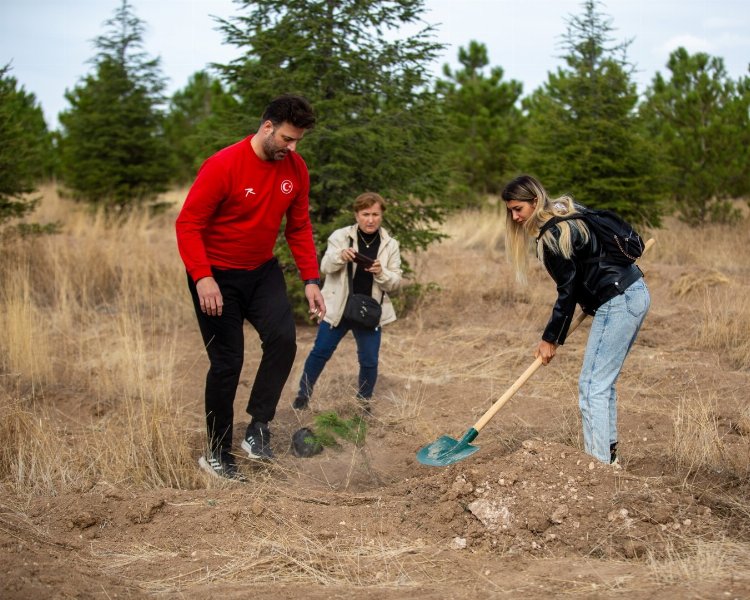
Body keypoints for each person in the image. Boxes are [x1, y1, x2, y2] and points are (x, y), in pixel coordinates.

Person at [176, 94, 326, 480]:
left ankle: (257, 428)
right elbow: (188, 224)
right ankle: (216, 451)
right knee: (228, 363)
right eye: (288, 139)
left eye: (298, 142)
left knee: (283, 340)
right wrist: (202, 276)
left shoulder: (295, 169)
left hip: (261, 272)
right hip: (216, 277)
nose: (292, 148)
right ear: (267, 127)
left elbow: (298, 227)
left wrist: (311, 279)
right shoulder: (223, 165)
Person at [501, 174, 650, 465]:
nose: (514, 216)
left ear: (535, 201)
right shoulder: (567, 211)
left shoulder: (552, 235)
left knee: (592, 385)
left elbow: (566, 293)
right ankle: (609, 458)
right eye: (510, 211)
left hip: (618, 301)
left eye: (518, 208)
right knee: (601, 384)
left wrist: (549, 339)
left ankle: (598, 467)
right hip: (635, 292)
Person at [293, 192, 402, 415]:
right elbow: (324, 267)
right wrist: (341, 256)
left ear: (382, 216)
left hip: (368, 311)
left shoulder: (390, 244)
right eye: (365, 214)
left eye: (375, 214)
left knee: (369, 360)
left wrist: (381, 273)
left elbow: (396, 283)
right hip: (338, 309)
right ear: (356, 214)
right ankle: (303, 395)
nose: (370, 220)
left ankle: (363, 403)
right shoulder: (340, 237)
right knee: (320, 352)